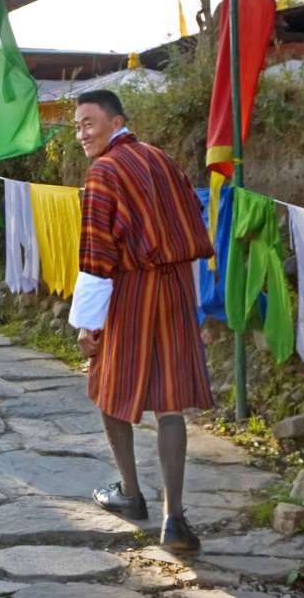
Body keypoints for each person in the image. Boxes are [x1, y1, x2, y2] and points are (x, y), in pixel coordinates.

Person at [74, 89, 214, 553]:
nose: (81, 133)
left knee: (111, 386)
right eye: (77, 126)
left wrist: (88, 324)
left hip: (131, 288)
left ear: (116, 122)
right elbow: (191, 218)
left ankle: (131, 496)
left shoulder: (104, 172)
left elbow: (96, 253)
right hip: (175, 285)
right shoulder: (162, 158)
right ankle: (175, 518)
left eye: (88, 123)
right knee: (169, 401)